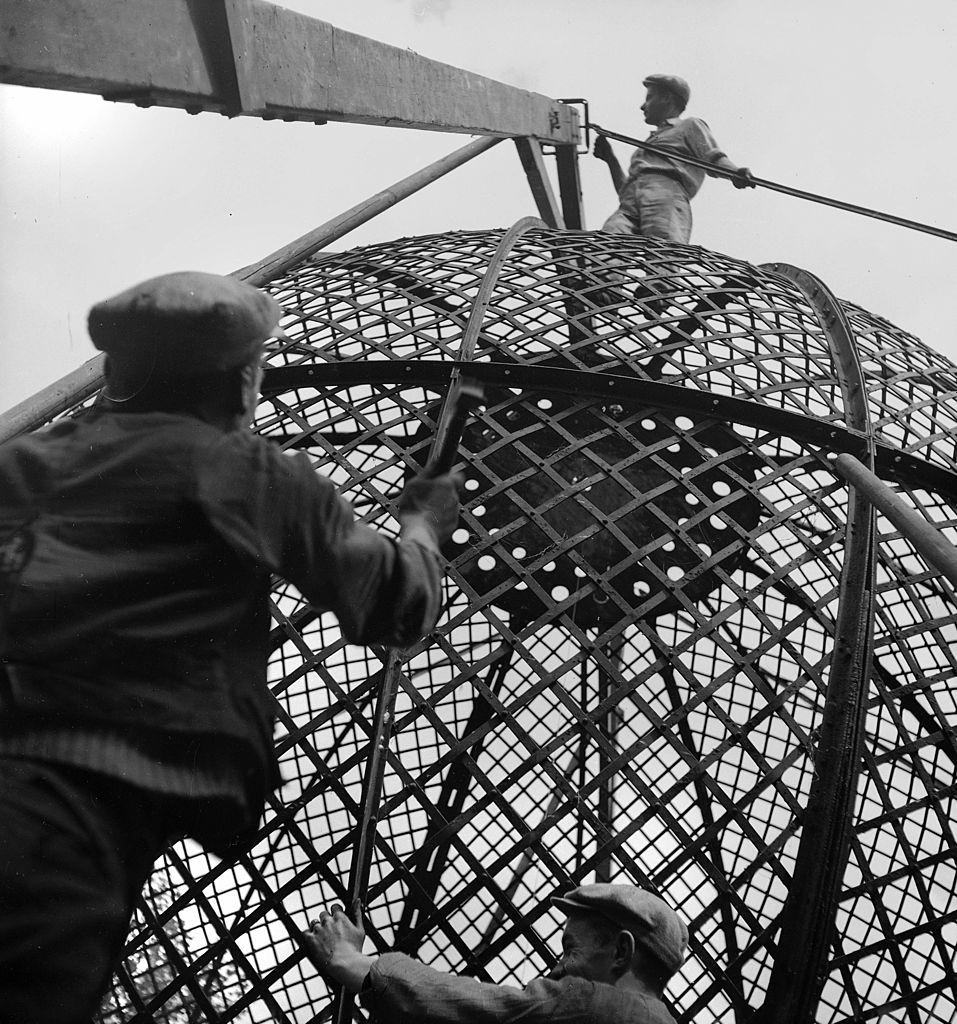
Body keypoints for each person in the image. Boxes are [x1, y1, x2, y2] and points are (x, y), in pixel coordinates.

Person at [0, 271, 460, 1024]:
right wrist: (422, 528)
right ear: (240, 378)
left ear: (120, 367)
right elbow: (395, 605)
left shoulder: (20, 463)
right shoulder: (239, 468)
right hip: (69, 808)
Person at [302, 882, 688, 1023]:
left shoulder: (593, 1006)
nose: (559, 966)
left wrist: (350, 961)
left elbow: (480, 1008)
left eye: (571, 949)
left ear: (621, 951)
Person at [595, 74, 755, 243]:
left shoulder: (689, 126)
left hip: (665, 197)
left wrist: (735, 172)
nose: (643, 106)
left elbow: (712, 157)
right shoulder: (648, 143)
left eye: (649, 98)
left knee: (662, 257)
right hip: (629, 202)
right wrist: (611, 160)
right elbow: (625, 189)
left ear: (666, 98)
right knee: (606, 245)